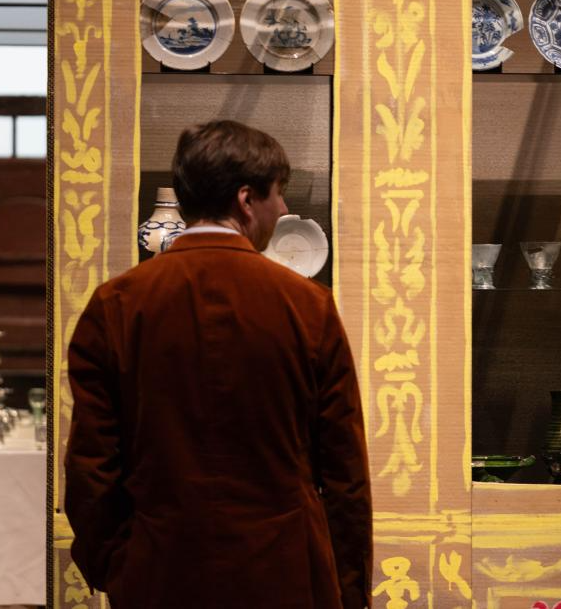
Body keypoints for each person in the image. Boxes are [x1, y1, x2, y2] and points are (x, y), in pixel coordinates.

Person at [64, 120, 371, 608]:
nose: (285, 208)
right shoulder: (308, 305)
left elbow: (92, 465)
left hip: (158, 571)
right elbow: (344, 473)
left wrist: (114, 565)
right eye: (280, 193)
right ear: (246, 200)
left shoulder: (116, 304)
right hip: (285, 571)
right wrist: (347, 589)